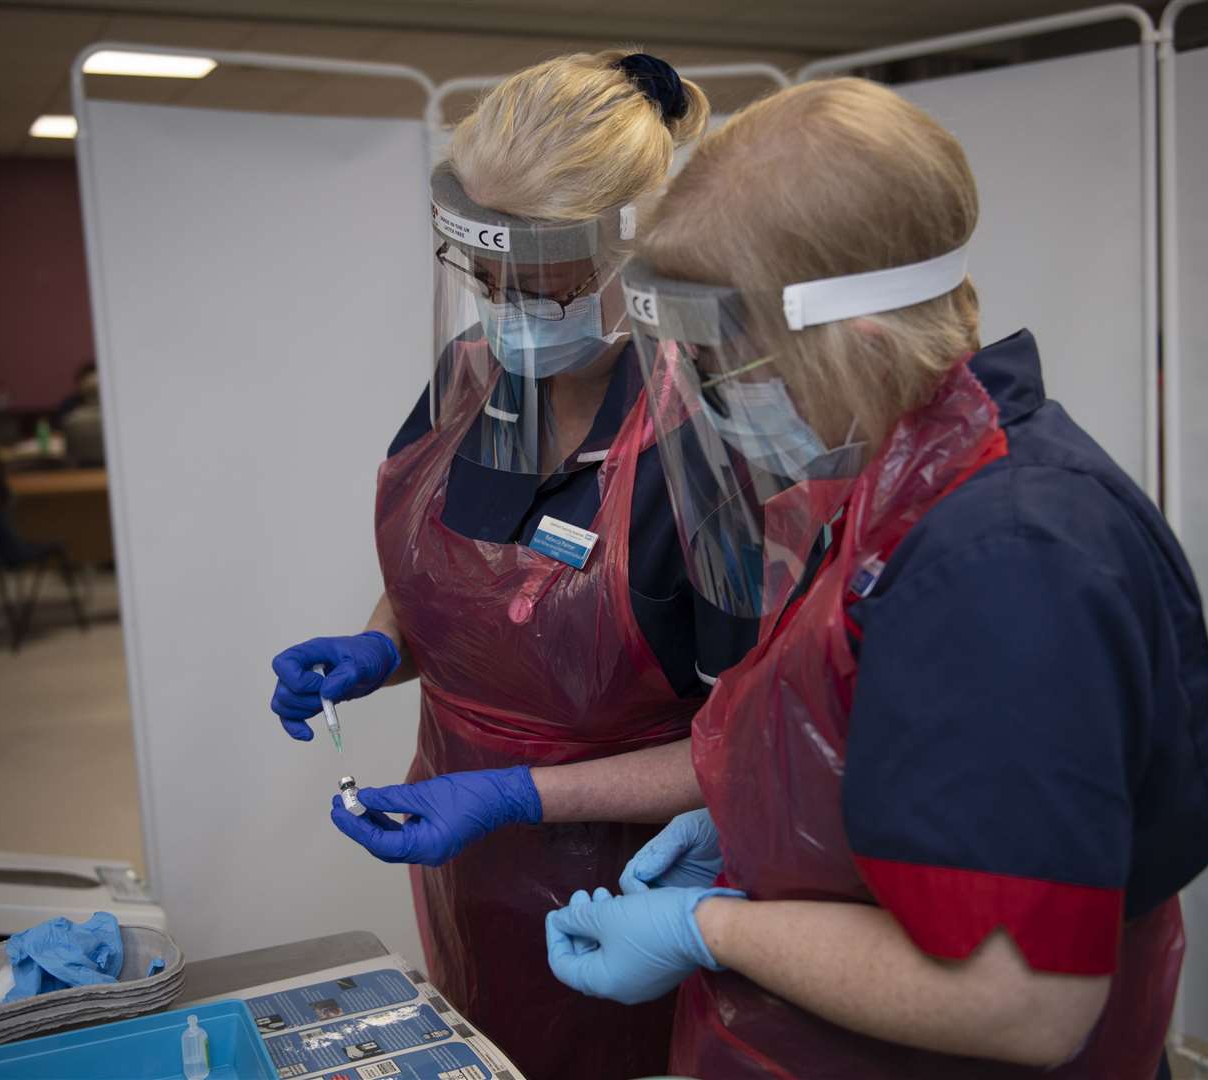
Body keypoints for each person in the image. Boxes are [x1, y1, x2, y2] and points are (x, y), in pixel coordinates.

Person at [338, 78, 1208, 1076]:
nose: (705, 399)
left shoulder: (1006, 562)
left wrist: (710, 928)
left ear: (859, 343)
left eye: (729, 367)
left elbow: (1022, 1002)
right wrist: (744, 821)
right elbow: (878, 747)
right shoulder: (902, 488)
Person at [271, 52, 755, 1079]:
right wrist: (379, 645)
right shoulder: (471, 385)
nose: (506, 313)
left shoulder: (711, 440)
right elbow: (457, 585)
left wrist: (515, 794)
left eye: (541, 286)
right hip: (465, 858)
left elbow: (746, 754)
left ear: (641, 249)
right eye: (485, 281)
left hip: (636, 897)